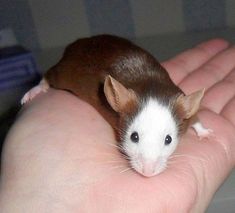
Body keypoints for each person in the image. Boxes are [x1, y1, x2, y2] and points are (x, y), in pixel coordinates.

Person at [0, 38, 234, 212]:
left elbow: (190, 116)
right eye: (135, 137)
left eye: (167, 140)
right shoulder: (122, 100)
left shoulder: (180, 108)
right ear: (116, 100)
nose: (148, 167)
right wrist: (46, 84)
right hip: (90, 55)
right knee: (65, 75)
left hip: (131, 62)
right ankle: (45, 81)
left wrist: (199, 127)